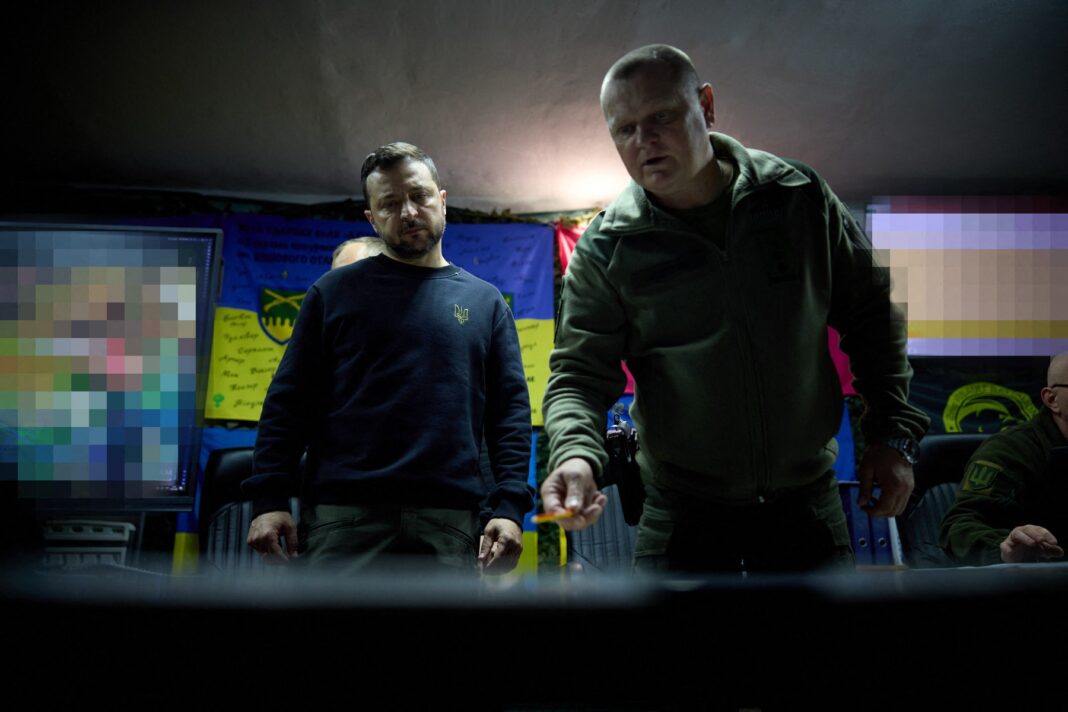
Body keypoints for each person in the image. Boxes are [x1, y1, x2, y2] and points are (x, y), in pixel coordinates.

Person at [540, 45, 929, 573]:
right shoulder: (610, 249)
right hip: (681, 518)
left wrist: (893, 436)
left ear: (706, 106)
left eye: (661, 117)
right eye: (624, 129)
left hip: (806, 510)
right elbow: (577, 376)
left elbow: (874, 317)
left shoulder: (797, 198)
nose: (644, 141)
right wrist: (575, 457)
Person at [245, 142, 533, 574]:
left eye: (419, 196)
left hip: (449, 524)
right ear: (372, 218)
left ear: (442, 200)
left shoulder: (486, 302)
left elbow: (508, 415)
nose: (409, 212)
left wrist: (509, 508)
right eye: (390, 203)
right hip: (343, 521)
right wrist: (269, 500)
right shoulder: (333, 293)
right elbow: (289, 402)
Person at [940, 353, 1068, 565]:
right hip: (1037, 580)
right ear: (1052, 400)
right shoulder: (1010, 451)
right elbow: (960, 525)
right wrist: (1003, 547)